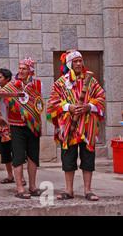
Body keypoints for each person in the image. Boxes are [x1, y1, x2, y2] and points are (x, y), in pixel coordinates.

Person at [46, 49, 105, 201]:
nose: (78, 63)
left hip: (87, 127)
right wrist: (69, 107)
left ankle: (88, 190)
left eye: (80, 61)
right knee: (68, 157)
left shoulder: (91, 80)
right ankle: (69, 190)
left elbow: (101, 97)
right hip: (68, 127)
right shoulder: (60, 83)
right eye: (75, 61)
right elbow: (52, 103)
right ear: (69, 64)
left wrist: (88, 107)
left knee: (88, 157)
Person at [0, 57, 43, 199]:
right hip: (16, 125)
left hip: (32, 125)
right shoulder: (11, 86)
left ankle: (33, 186)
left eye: (24, 68)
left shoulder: (37, 84)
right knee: (18, 156)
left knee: (33, 157)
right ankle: (19, 188)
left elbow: (38, 103)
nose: (21, 71)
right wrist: (0, 118)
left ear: (30, 71)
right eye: (20, 68)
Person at [0, 68, 26, 186]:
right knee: (5, 151)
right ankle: (10, 175)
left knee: (17, 151)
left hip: (14, 125)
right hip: (2, 126)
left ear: (7, 79)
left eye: (0, 77)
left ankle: (21, 177)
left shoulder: (15, 91)